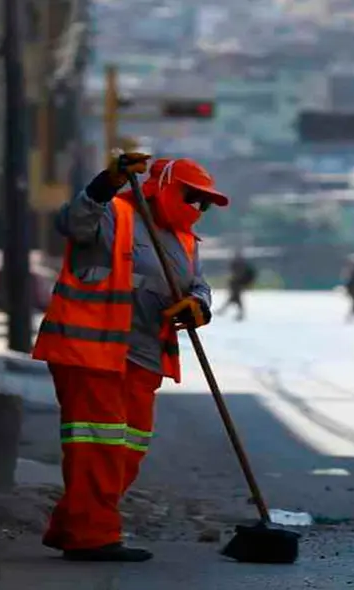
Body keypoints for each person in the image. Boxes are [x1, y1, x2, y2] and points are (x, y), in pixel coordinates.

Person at [31, 153, 229, 562]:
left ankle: (73, 525)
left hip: (143, 355)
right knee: (98, 447)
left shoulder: (184, 241)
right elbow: (71, 223)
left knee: (129, 448)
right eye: (192, 198)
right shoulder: (113, 214)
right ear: (164, 189)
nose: (198, 209)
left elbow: (200, 285)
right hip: (90, 350)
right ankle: (93, 538)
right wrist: (107, 183)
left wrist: (198, 305)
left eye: (204, 204)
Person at [217, 250, 256, 321]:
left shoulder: (241, 265)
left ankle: (236, 313)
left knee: (235, 298)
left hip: (237, 284)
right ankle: (226, 311)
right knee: (234, 298)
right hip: (236, 284)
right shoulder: (241, 264)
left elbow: (238, 275)